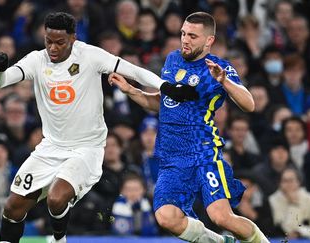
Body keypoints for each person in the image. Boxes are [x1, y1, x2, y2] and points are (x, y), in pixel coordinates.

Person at [0, 12, 198, 243]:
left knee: (56, 198)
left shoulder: (89, 55)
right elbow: (0, 82)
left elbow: (133, 70)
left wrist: (166, 86)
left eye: (60, 42)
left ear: (73, 38)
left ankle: (59, 239)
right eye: (49, 41)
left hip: (86, 148)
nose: (53, 48)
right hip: (50, 147)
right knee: (13, 207)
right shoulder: (36, 60)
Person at [108, 12, 270, 243]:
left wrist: (224, 81)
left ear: (209, 41)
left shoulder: (219, 68)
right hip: (172, 156)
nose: (185, 39)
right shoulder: (172, 60)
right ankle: (221, 242)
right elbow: (163, 103)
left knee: (221, 216)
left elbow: (249, 104)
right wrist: (132, 91)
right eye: (183, 33)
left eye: (193, 36)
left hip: (202, 152)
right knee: (167, 217)